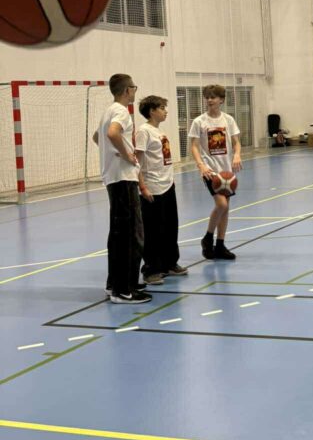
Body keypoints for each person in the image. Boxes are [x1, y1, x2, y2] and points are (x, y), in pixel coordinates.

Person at [92, 73, 150, 304]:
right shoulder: (121, 112)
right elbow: (111, 133)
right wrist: (126, 155)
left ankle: (115, 284)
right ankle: (124, 290)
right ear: (127, 90)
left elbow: (97, 137)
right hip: (123, 179)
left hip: (113, 177)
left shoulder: (108, 111)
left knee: (118, 235)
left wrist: (113, 153)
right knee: (130, 236)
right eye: (134, 87)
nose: (135, 91)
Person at [135, 95, 188, 284]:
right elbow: (137, 162)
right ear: (151, 111)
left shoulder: (159, 131)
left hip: (167, 185)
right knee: (153, 231)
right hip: (153, 187)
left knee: (170, 227)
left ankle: (169, 263)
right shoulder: (144, 132)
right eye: (162, 108)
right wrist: (143, 187)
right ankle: (151, 270)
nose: (165, 111)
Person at [189, 84, 242, 260]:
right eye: (207, 97)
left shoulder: (228, 120)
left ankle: (220, 244)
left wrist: (237, 155)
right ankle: (207, 238)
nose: (210, 100)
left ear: (221, 100)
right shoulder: (199, 121)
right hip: (210, 171)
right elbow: (194, 146)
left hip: (227, 171)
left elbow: (236, 142)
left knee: (226, 209)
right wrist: (201, 165)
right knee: (222, 205)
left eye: (213, 97)